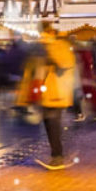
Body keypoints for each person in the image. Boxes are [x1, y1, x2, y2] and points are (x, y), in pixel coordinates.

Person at [37, 22, 76, 168]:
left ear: (51, 33)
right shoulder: (46, 47)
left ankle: (57, 156)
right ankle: (55, 155)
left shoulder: (60, 46)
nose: (42, 37)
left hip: (58, 92)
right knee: (48, 123)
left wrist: (50, 45)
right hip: (47, 92)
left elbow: (64, 63)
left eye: (44, 34)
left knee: (53, 124)